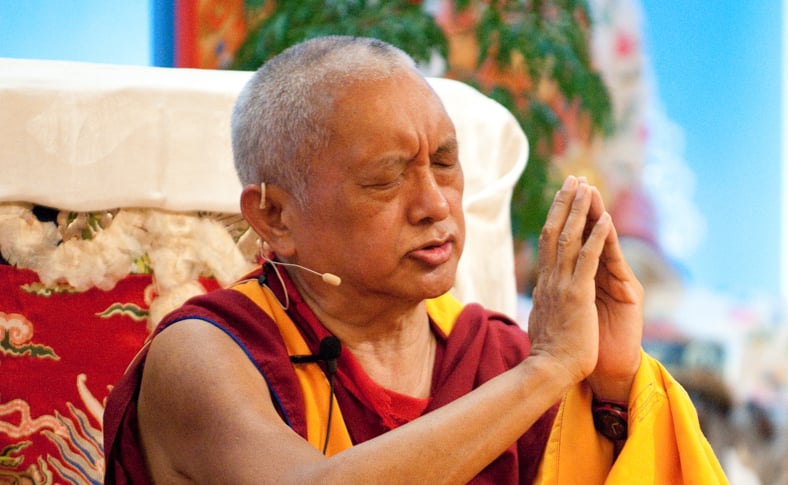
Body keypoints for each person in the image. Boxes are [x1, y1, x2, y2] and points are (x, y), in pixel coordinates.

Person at [103, 36, 726, 484]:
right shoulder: (208, 354)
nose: (434, 204)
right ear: (276, 218)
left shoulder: (491, 354)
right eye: (385, 180)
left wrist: (613, 389)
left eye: (446, 164)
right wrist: (549, 370)